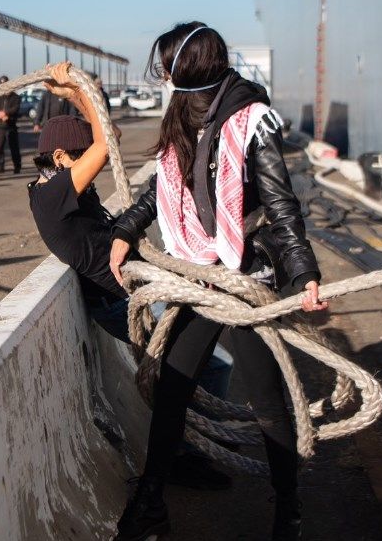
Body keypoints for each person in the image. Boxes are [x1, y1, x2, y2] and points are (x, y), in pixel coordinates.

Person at [108, 23, 326, 541]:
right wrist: (125, 228)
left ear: (187, 65)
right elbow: (161, 188)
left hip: (245, 278)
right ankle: (151, 502)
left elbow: (281, 205)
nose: (161, 74)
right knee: (171, 386)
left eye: (166, 64)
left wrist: (304, 274)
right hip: (199, 274)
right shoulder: (183, 113)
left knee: (268, 403)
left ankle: (290, 516)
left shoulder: (252, 119)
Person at [29, 62, 232, 490]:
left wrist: (76, 94)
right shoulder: (53, 196)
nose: (93, 163)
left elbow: (110, 138)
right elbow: (104, 145)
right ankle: (189, 454)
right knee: (210, 368)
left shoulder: (59, 186)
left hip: (134, 288)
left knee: (201, 362)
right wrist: (79, 91)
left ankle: (195, 444)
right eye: (81, 155)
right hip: (120, 302)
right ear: (61, 158)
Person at [0, 75, 22, 173]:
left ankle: (17, 166)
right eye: (2, 84)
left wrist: (6, 113)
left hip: (11, 125)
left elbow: (16, 108)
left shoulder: (15, 97)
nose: (4, 85)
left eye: (5, 83)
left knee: (14, 147)